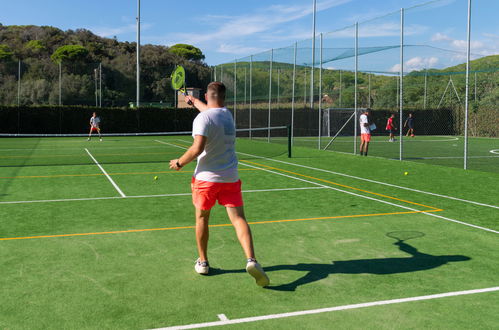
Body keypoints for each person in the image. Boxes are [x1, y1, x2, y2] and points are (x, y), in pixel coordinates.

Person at [169, 82, 269, 287]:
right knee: (239, 219)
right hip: (230, 177)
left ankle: (203, 262)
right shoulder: (227, 115)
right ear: (223, 97)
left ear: (208, 94)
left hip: (206, 180)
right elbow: (210, 111)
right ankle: (251, 260)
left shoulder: (202, 118)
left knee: (202, 219)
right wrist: (194, 101)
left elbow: (197, 148)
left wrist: (179, 162)